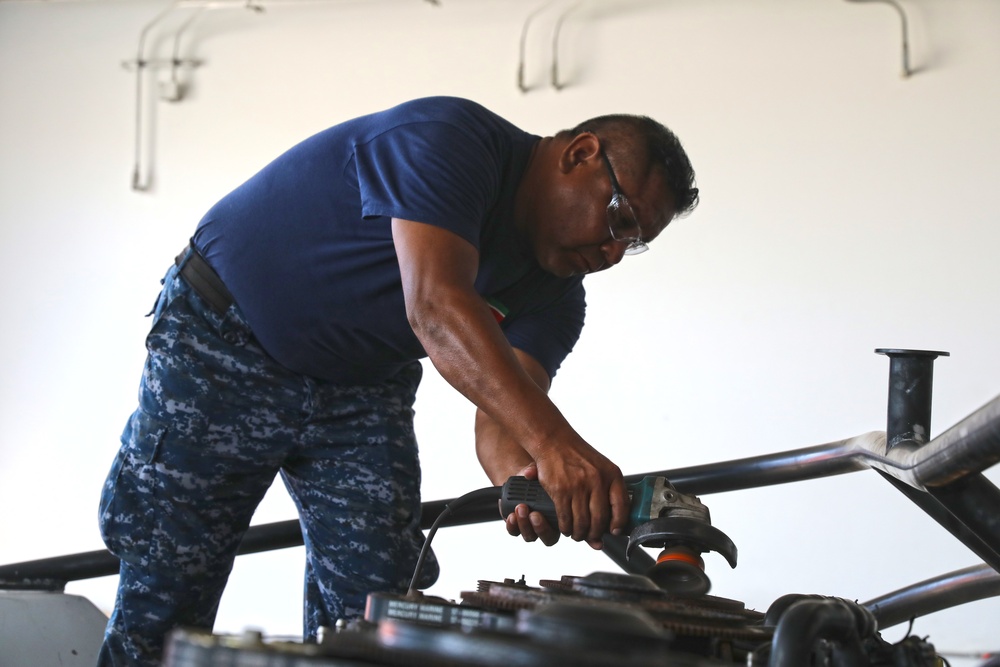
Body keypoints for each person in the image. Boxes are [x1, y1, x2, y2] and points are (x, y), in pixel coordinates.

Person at [96, 95, 699, 665]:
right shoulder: (450, 142)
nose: (615, 252)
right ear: (580, 154)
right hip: (223, 343)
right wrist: (559, 449)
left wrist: (529, 479)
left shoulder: (558, 298)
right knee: (168, 585)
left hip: (360, 387)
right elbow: (435, 306)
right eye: (620, 219)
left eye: (636, 243)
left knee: (378, 604)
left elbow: (505, 415)